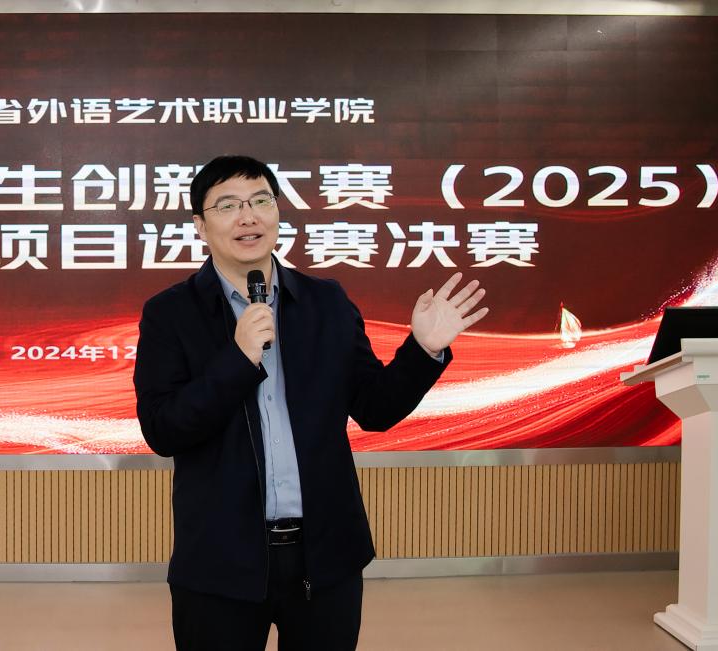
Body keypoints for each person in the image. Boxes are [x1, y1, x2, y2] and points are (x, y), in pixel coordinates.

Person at [133, 155, 488, 650]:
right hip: (220, 561)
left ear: (278, 212)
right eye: (228, 206)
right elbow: (163, 429)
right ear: (200, 225)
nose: (248, 217)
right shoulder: (170, 314)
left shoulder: (326, 302)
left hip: (325, 556)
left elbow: (375, 408)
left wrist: (423, 350)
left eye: (260, 201)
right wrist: (237, 359)